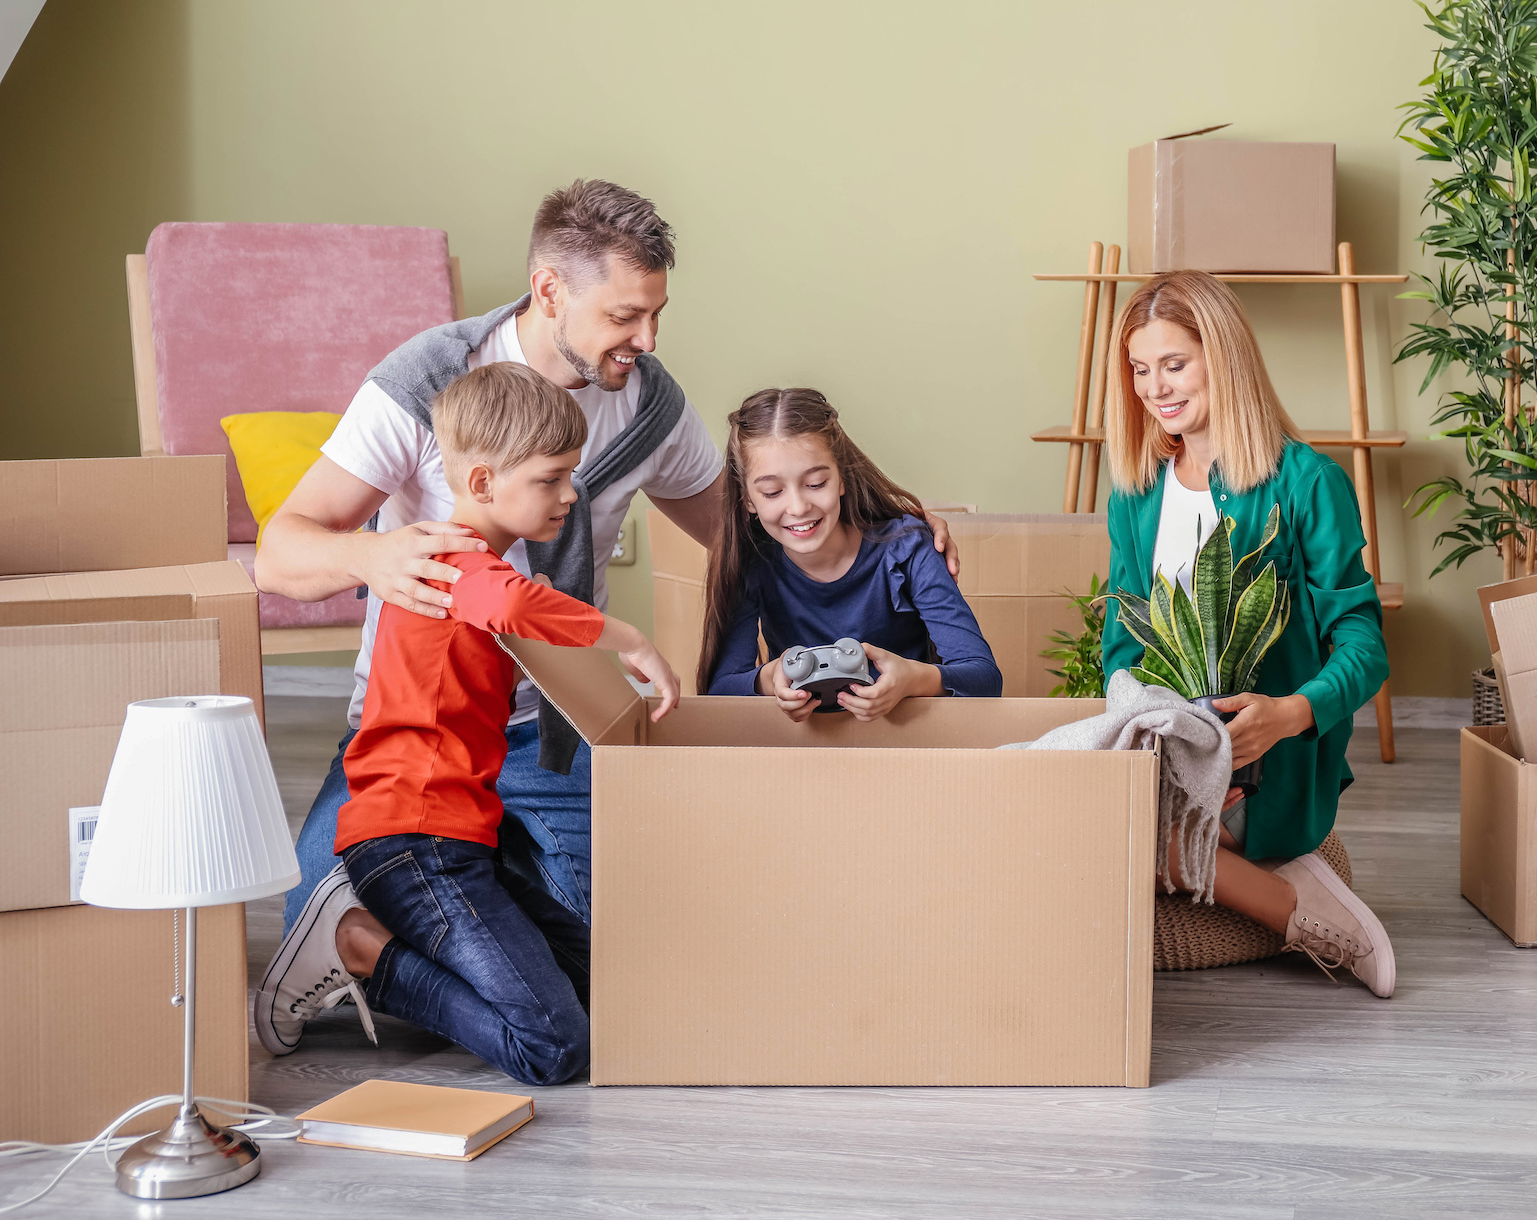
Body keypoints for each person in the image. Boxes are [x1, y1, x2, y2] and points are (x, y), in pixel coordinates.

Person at [251, 179, 961, 1055]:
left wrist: (893, 531)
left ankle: (498, 890)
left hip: (553, 727)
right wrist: (371, 555)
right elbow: (279, 551)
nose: (648, 340)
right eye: (626, 316)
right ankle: (459, 914)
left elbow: (755, 534)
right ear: (551, 290)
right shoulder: (433, 379)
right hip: (414, 733)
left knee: (624, 978)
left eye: (657, 313)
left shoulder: (648, 402)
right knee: (315, 913)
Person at [333, 363, 680, 1084]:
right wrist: (630, 638)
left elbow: (513, 607)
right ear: (484, 482)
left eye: (571, 475)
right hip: (415, 841)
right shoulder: (456, 564)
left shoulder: (472, 567)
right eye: (552, 478)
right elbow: (515, 606)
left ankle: (414, 949)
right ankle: (371, 953)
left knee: (606, 988)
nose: (570, 493)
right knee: (555, 1049)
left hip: (463, 839)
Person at [1100, 270, 1395, 997]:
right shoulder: (1135, 496)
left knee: (1113, 843)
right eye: (1140, 369)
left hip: (1271, 761)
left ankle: (1307, 913)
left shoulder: (1308, 483)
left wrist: (1290, 713)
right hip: (1170, 748)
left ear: (1222, 356)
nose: (1154, 388)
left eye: (1174, 364)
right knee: (1065, 822)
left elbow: (1364, 645)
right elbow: (1121, 647)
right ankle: (1285, 893)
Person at [703, 388, 1000, 719]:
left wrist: (914, 679)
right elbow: (720, 691)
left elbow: (985, 678)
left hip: (906, 743)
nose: (799, 507)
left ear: (841, 479)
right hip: (806, 751)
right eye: (772, 492)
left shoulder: (907, 550)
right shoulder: (753, 563)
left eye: (816, 483)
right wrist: (767, 680)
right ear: (747, 499)